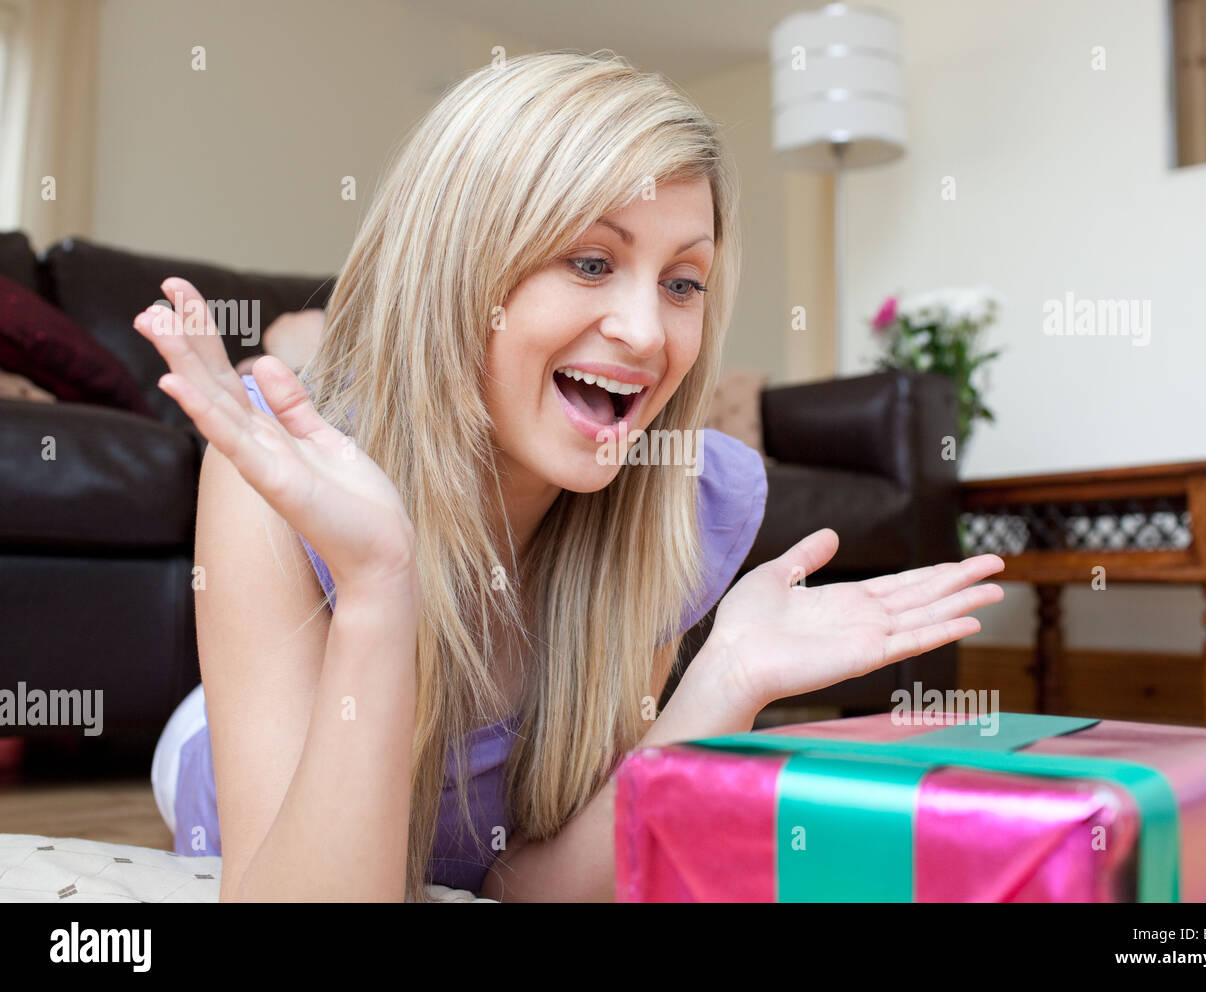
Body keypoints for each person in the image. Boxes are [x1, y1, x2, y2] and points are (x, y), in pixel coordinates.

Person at [139, 51, 1005, 903]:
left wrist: (724, 681)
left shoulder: (673, 510)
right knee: (311, 388)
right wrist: (377, 584)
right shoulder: (271, 472)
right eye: (591, 262)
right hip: (223, 748)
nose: (647, 332)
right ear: (459, 267)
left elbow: (532, 888)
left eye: (682, 282)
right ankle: (314, 347)